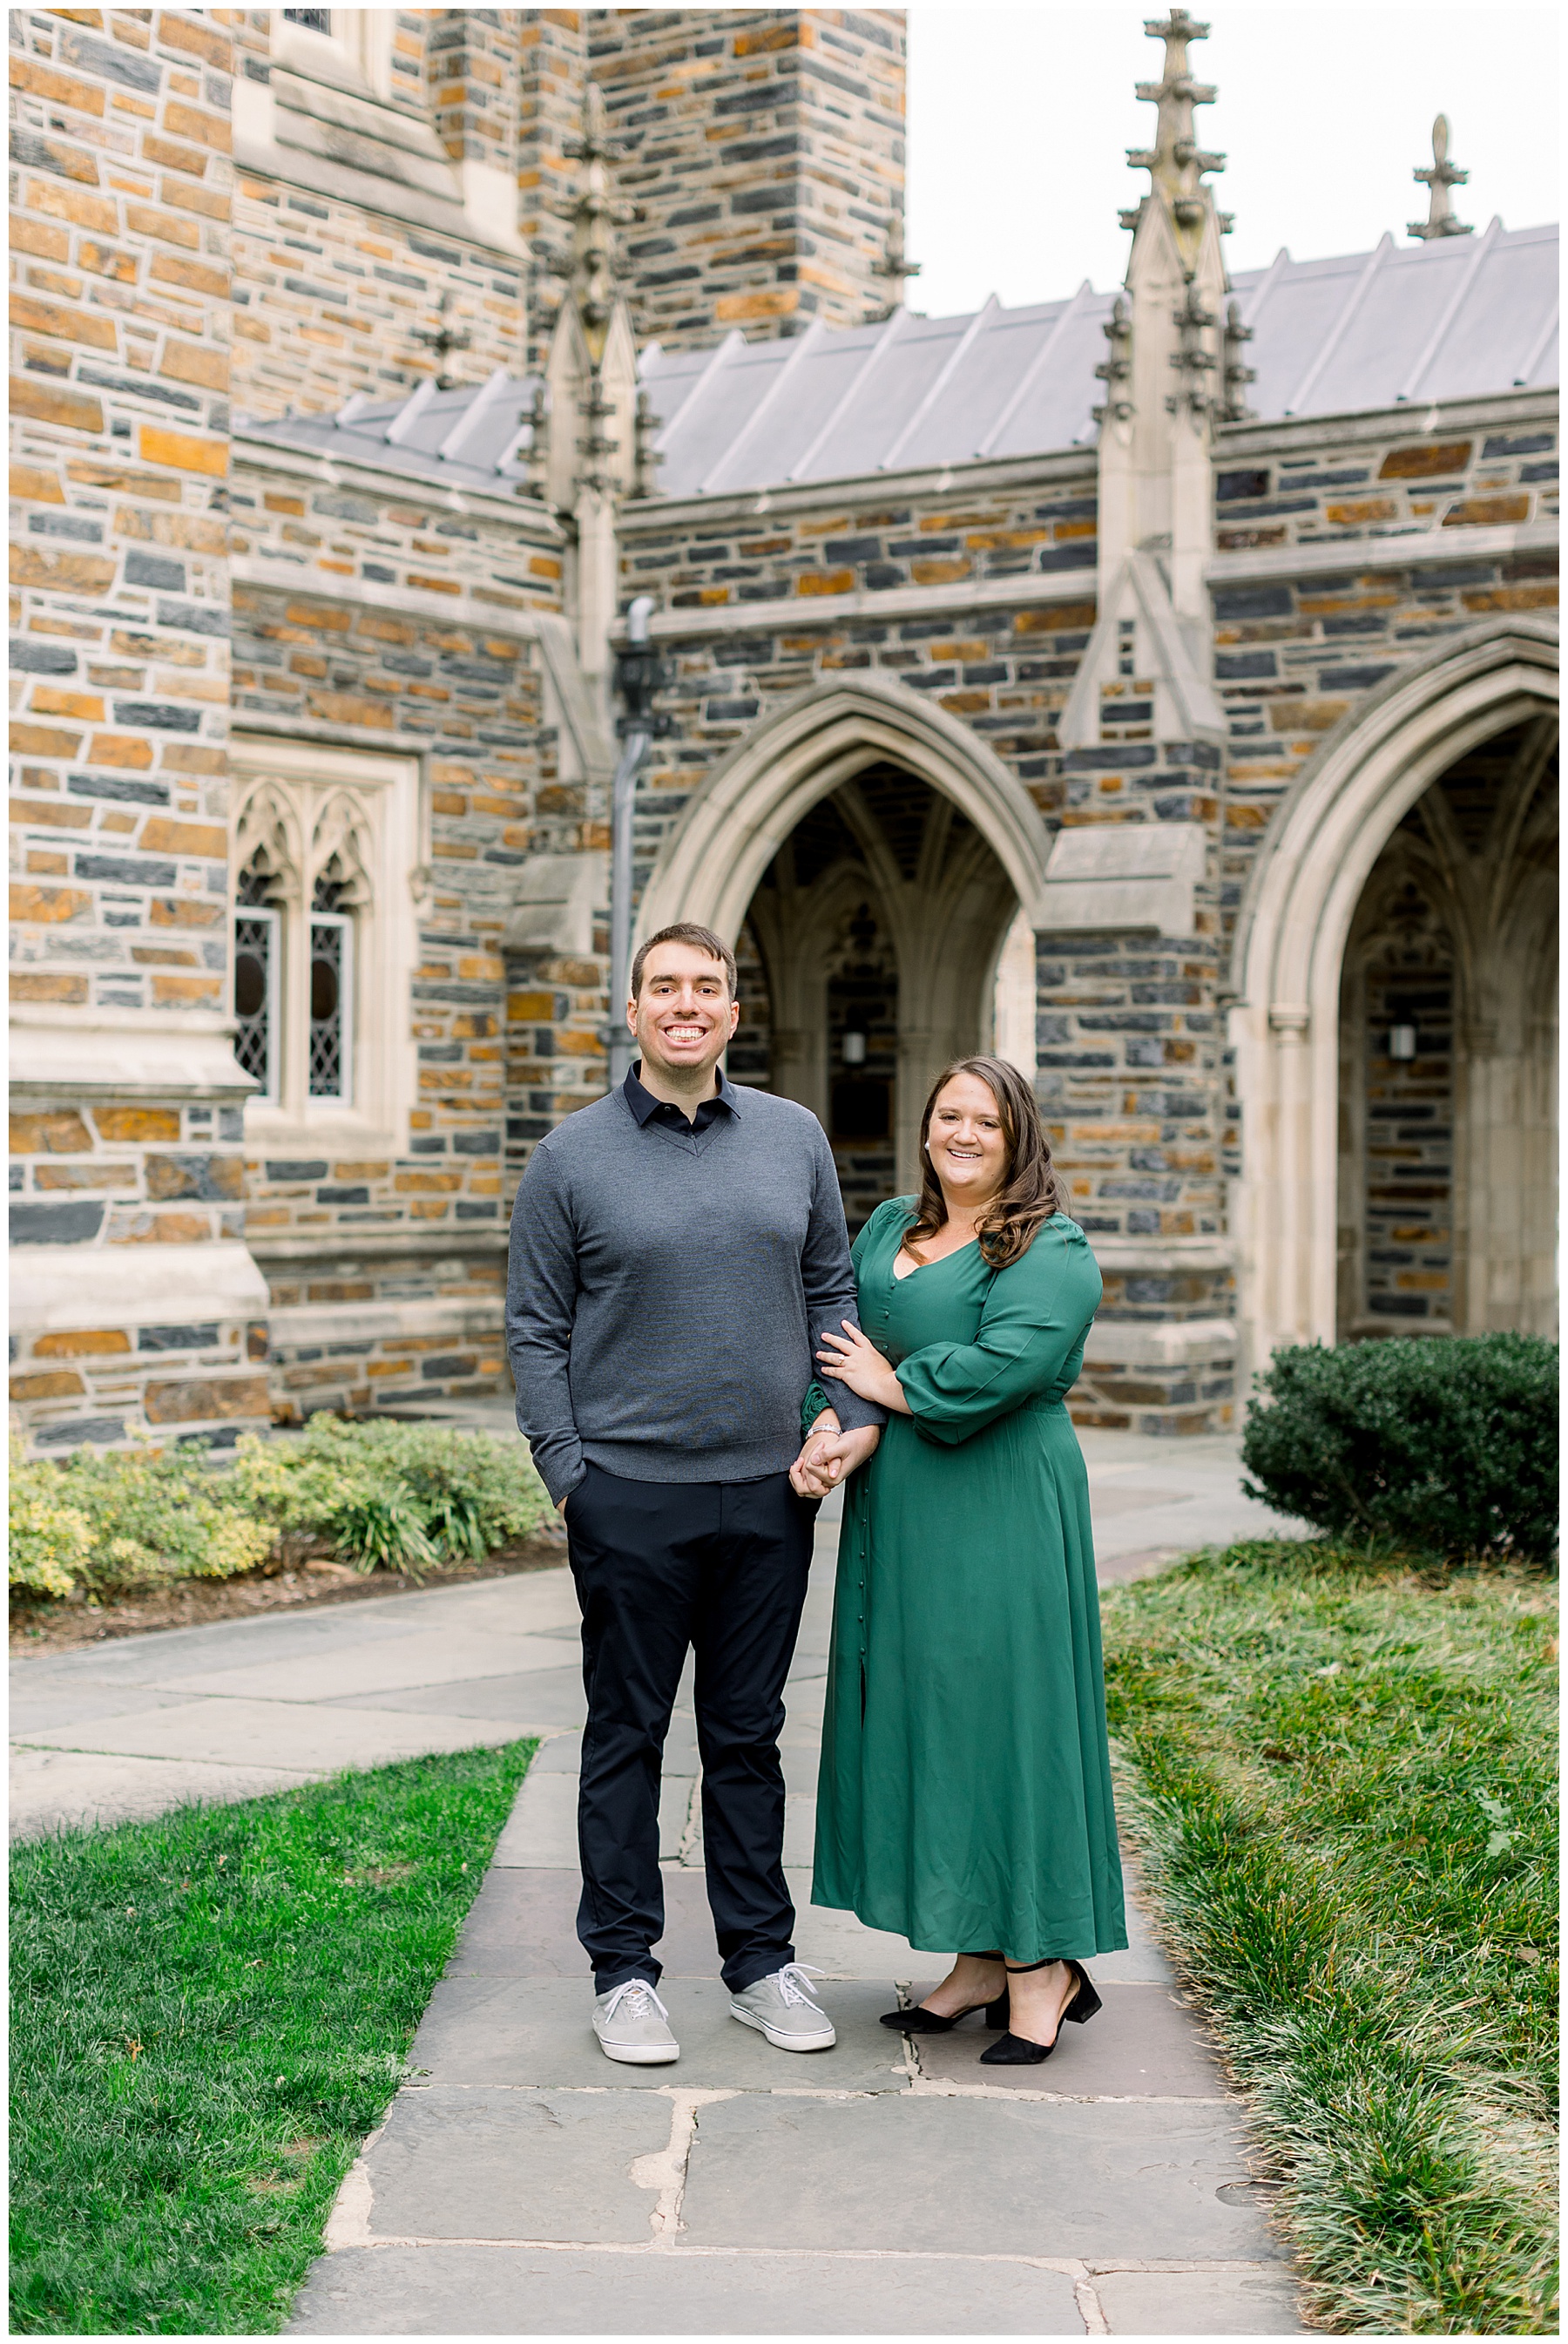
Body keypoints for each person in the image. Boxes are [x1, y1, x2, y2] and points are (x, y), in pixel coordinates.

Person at [506, 921, 884, 2067]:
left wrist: (841, 1418)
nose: (686, 1002)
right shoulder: (570, 1158)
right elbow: (535, 1329)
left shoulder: (793, 1136)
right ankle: (623, 1972)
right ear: (632, 1011)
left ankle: (761, 1962)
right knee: (626, 1734)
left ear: (732, 1010)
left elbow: (831, 1291)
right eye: (664, 986)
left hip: (770, 1496)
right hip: (627, 1497)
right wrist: (570, 1478)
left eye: (706, 986)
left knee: (747, 1736)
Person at [794, 1054, 1126, 2063]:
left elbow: (1005, 1365)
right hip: (903, 1507)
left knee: (1006, 1721)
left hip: (1002, 1505)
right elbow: (838, 1347)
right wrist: (832, 1427)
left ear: (1018, 1133)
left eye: (986, 1118)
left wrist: (890, 1386)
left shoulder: (1050, 1246)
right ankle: (979, 1955)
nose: (964, 1133)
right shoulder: (890, 1226)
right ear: (926, 1126)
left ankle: (1043, 1963)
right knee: (932, 1714)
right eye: (949, 1114)